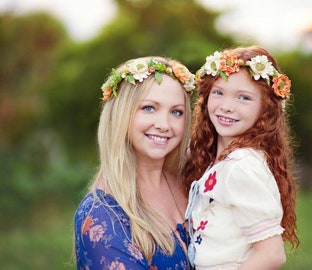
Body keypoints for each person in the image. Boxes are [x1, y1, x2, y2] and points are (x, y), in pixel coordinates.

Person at [183, 46, 300, 270]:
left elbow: (272, 255)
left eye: (244, 98)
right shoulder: (222, 162)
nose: (226, 107)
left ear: (265, 110)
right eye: (218, 92)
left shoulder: (242, 166)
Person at [74, 56, 196, 269]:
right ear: (122, 113)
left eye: (176, 112)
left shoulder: (192, 183)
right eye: (149, 108)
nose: (164, 124)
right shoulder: (103, 214)